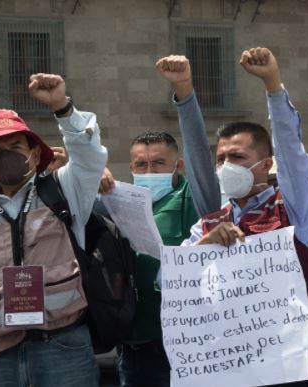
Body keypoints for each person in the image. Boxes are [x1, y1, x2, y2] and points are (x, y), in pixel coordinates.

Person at [0, 73, 107, 387]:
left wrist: (62, 107)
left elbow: (90, 158)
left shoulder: (64, 189)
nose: (6, 154)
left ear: (35, 154)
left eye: (15, 146)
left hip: (63, 346)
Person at [181, 47, 308, 386]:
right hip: (227, 367)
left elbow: (292, 153)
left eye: (238, 156)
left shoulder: (292, 211)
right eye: (221, 157)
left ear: (266, 163)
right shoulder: (208, 224)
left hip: (287, 368)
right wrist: (203, 246)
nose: (227, 165)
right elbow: (173, 280)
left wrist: (272, 85)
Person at [96, 54, 221, 387]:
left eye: (159, 164)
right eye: (141, 165)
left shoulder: (192, 200)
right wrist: (88, 173)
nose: (149, 171)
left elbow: (198, 152)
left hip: (182, 346)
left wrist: (184, 93)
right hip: (132, 348)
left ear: (177, 167)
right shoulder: (114, 203)